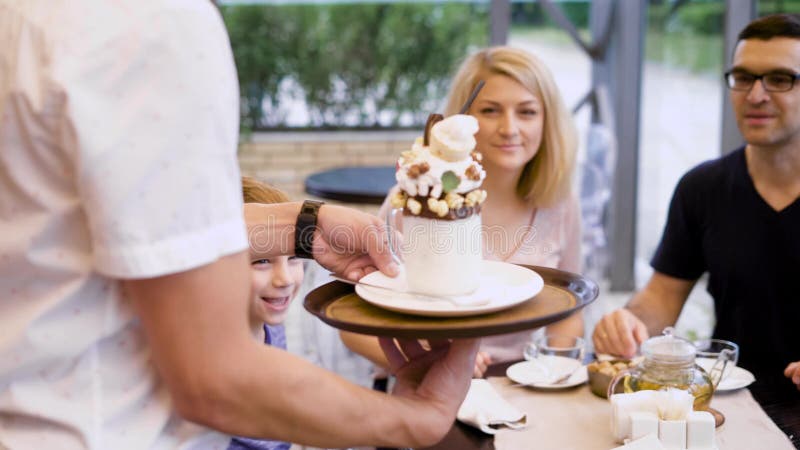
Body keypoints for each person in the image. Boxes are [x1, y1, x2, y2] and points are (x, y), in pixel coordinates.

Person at [0, 2, 478, 449]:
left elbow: (115, 228)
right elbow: (214, 378)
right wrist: (414, 420)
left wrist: (300, 224)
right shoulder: (150, 26)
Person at [341, 46, 584, 377]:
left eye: (527, 112)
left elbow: (568, 312)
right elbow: (352, 326)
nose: (510, 128)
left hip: (521, 383)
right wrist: (429, 361)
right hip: (422, 387)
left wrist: (553, 373)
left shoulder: (561, 205)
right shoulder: (415, 204)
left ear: (547, 120)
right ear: (460, 122)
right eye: (490, 110)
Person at [592, 13, 800, 395]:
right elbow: (661, 298)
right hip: (731, 403)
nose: (755, 95)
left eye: (780, 79)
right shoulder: (703, 187)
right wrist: (627, 322)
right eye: (742, 78)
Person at [229, 178, 302, 450]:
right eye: (262, 261)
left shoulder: (271, 327)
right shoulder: (213, 355)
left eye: (293, 258)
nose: (285, 279)